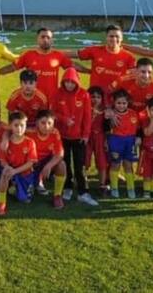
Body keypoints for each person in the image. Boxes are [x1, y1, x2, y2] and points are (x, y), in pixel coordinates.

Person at [50, 68, 97, 205]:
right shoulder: (57, 93)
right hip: (62, 136)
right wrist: (64, 119)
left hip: (79, 137)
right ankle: (67, 188)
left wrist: (86, 134)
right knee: (64, 164)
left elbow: (87, 117)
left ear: (77, 82)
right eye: (67, 82)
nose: (69, 85)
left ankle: (83, 192)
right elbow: (52, 113)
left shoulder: (84, 95)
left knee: (80, 165)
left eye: (72, 82)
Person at [0, 27, 75, 101]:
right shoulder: (28, 55)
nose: (45, 40)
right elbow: (12, 67)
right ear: (37, 39)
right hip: (32, 99)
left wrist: (86, 70)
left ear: (52, 40)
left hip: (52, 99)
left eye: (48, 37)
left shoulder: (58, 55)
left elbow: (73, 65)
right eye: (42, 37)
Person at [0, 112, 37, 215]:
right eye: (16, 125)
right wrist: (8, 168)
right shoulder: (6, 143)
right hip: (10, 171)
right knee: (4, 173)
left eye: (22, 125)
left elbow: (30, 163)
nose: (19, 128)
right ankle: (1, 203)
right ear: (10, 126)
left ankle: (17, 188)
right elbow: (2, 160)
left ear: (26, 126)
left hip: (24, 173)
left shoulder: (30, 142)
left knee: (23, 199)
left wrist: (15, 171)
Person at [75, 25, 136, 93]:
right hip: (97, 97)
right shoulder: (95, 50)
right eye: (111, 36)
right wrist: (86, 70)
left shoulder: (129, 57)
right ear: (106, 37)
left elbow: (133, 77)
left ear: (121, 38)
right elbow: (71, 55)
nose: (114, 39)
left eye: (117, 36)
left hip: (117, 99)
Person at [105, 89, 141, 199]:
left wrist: (139, 137)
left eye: (124, 103)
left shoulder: (133, 114)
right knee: (115, 164)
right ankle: (114, 187)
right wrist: (109, 119)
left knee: (128, 164)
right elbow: (105, 129)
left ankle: (130, 187)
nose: (121, 106)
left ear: (128, 103)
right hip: (116, 141)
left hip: (130, 142)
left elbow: (139, 128)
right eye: (118, 103)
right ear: (114, 103)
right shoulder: (111, 114)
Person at [29, 109, 67, 210]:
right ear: (36, 122)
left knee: (62, 165)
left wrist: (48, 166)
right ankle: (31, 183)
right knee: (24, 195)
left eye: (50, 123)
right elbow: (10, 131)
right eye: (43, 123)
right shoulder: (28, 132)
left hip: (46, 162)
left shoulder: (55, 132)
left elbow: (60, 153)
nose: (46, 126)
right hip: (31, 163)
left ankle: (57, 196)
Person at [85, 86, 109, 195]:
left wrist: (106, 140)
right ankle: (83, 181)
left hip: (100, 137)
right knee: (85, 159)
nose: (95, 99)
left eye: (98, 97)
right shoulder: (85, 108)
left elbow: (108, 127)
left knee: (102, 161)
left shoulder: (105, 110)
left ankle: (102, 184)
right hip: (87, 137)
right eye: (92, 97)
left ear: (102, 98)